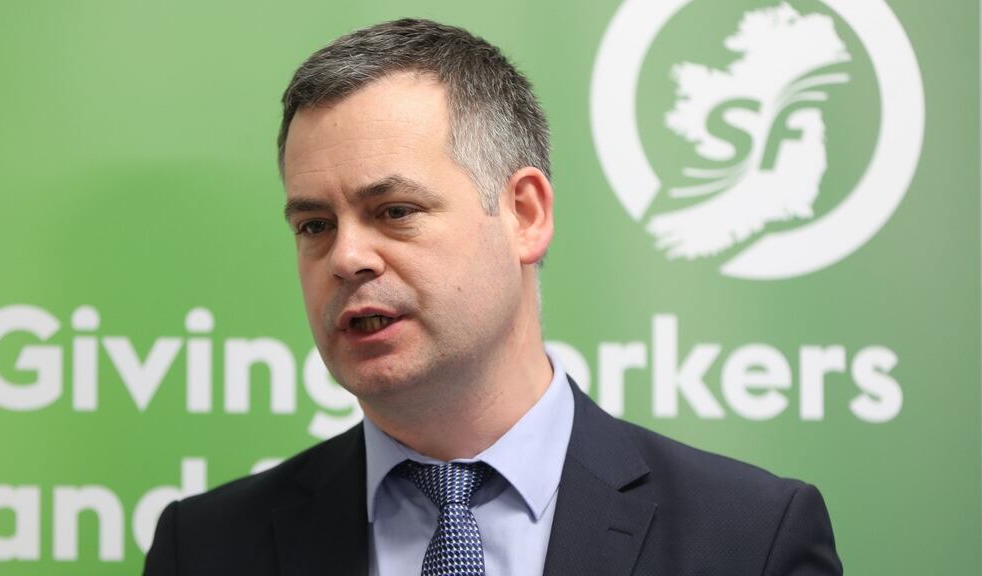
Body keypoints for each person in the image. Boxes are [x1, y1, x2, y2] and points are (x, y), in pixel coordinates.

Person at [143, 18, 842, 575]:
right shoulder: (204, 550)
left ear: (526, 214)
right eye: (315, 226)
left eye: (394, 211)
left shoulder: (750, 541)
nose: (347, 257)